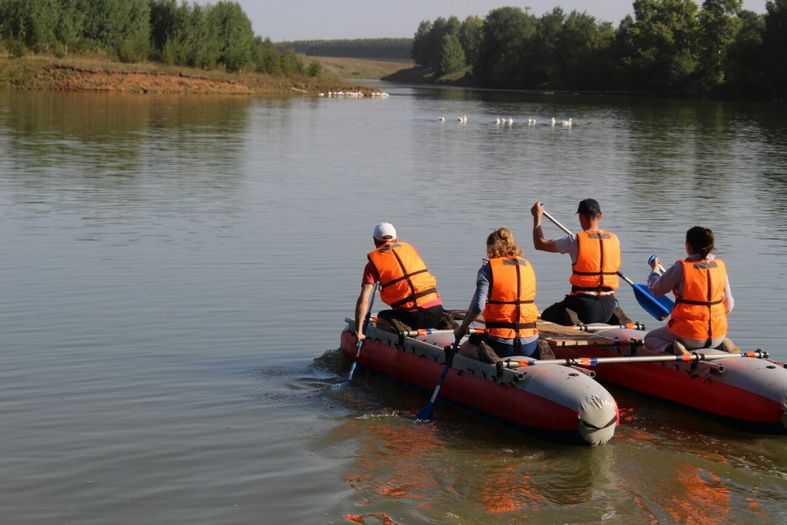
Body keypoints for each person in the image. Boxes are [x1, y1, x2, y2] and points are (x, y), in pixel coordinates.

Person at [454, 228, 552, 365]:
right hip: (530, 343)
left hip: (501, 344)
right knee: (526, 339)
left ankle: (489, 357)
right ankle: (538, 350)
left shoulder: (487, 269)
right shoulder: (527, 266)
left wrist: (462, 328)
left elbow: (477, 306)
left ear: (490, 248)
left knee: (464, 349)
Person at [530, 199, 630, 325]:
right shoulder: (615, 239)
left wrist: (537, 217)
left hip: (583, 306)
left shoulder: (574, 240)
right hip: (609, 303)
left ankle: (572, 319)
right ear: (600, 216)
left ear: (581, 217)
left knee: (547, 314)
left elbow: (540, 244)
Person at [644, 226, 738, 355]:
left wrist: (654, 270)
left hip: (689, 335)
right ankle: (721, 344)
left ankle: (673, 348)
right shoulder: (720, 266)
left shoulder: (681, 268)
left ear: (688, 246)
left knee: (650, 339)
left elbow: (655, 290)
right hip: (718, 333)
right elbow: (729, 306)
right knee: (713, 333)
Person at [355, 222, 448, 341]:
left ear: (374, 241)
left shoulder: (372, 265)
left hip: (413, 317)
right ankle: (443, 321)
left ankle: (401, 332)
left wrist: (359, 331)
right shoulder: (411, 250)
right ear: (396, 239)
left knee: (382, 319)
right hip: (437, 311)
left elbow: (364, 299)